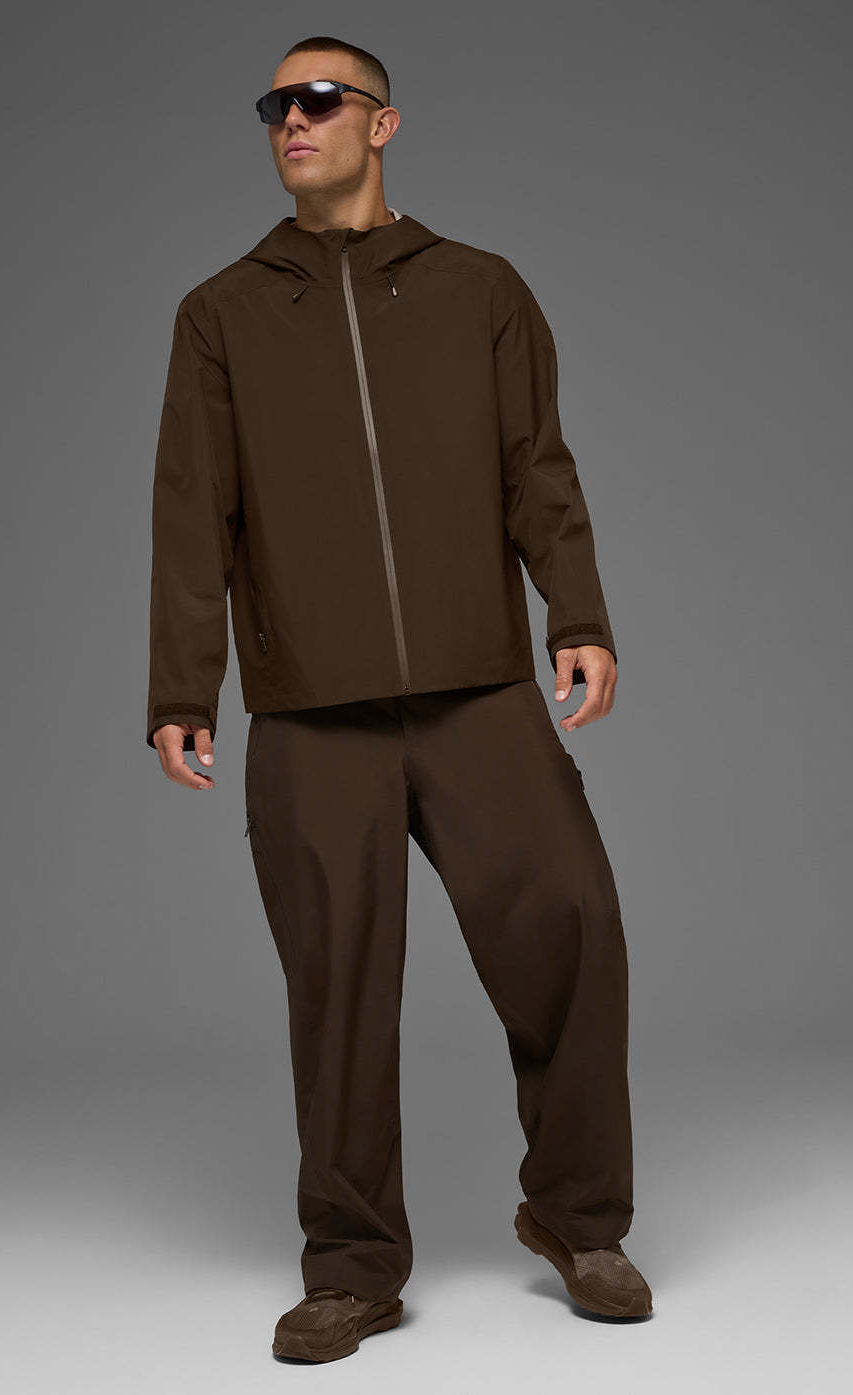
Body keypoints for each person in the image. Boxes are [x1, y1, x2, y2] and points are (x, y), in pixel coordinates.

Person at [145, 33, 653, 1363]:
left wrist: (577, 614)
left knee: (570, 930)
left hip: (478, 688)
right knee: (338, 989)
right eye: (275, 103)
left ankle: (579, 1219)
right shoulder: (222, 312)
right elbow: (194, 511)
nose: (292, 119)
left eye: (319, 99)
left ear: (381, 124)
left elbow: (537, 467)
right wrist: (183, 685)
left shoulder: (479, 288)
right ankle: (352, 1265)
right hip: (310, 709)